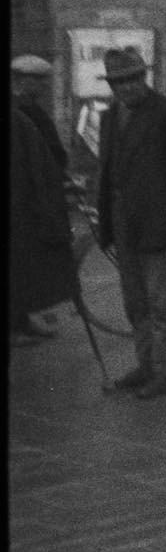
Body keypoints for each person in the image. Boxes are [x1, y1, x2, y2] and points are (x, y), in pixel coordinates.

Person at [93, 47, 166, 399]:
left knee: (164, 305)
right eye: (118, 82)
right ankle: (146, 365)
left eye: (132, 79)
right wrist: (106, 223)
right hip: (124, 223)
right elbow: (108, 169)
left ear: (145, 77)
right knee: (135, 302)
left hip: (160, 223)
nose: (126, 87)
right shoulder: (111, 116)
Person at [10, 54, 70, 343]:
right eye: (39, 81)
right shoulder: (22, 111)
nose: (45, 86)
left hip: (29, 198)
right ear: (22, 81)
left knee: (25, 264)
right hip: (22, 199)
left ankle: (23, 319)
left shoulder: (30, 109)